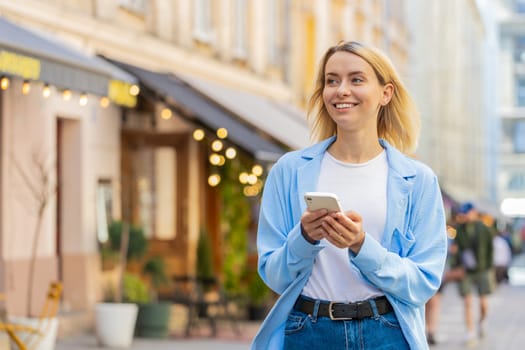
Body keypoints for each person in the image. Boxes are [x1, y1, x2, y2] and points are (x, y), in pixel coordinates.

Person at [251, 41, 448, 350]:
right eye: (332, 80)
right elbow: (274, 276)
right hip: (308, 332)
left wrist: (361, 245)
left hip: (386, 333)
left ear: (386, 93)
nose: (341, 90)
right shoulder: (288, 171)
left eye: (356, 79)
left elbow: (423, 283)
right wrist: (303, 237)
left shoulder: (418, 180)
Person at [454, 202, 495, 346]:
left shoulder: (484, 228)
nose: (464, 216)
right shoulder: (459, 229)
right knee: (467, 302)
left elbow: (490, 249)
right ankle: (470, 332)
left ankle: (482, 322)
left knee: (483, 303)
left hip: (483, 269)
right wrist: (457, 266)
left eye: (467, 213)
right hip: (466, 270)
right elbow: (458, 250)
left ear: (474, 212)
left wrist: (489, 267)